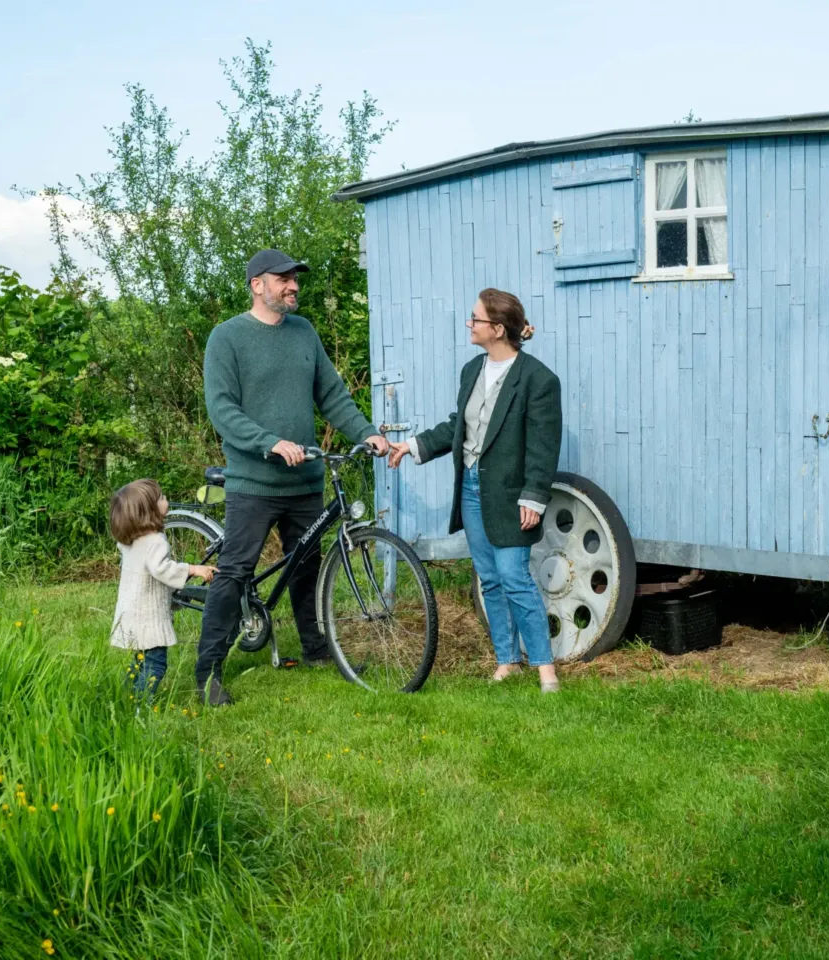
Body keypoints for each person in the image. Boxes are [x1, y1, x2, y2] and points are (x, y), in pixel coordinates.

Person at [196, 249, 389, 706]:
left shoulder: (304, 333)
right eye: (283, 279)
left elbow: (333, 395)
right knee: (235, 571)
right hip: (254, 480)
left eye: (295, 279)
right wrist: (269, 442)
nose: (293, 285)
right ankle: (208, 673)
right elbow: (222, 410)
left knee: (307, 567)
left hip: (305, 479)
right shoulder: (227, 338)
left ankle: (318, 651)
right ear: (256, 285)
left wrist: (368, 433)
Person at [388, 288, 563, 692]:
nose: (470, 325)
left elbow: (542, 445)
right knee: (489, 577)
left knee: (514, 575)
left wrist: (534, 496)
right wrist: (412, 445)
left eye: (476, 319)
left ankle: (544, 667)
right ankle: (507, 660)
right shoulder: (472, 370)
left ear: (497, 329)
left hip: (512, 493)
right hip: (470, 487)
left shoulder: (538, 379)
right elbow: (457, 427)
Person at [109, 479, 217, 700]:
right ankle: (141, 702)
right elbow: (162, 569)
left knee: (140, 660)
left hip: (130, 613)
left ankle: (128, 696)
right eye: (161, 498)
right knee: (155, 664)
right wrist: (193, 569)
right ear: (147, 510)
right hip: (147, 618)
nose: (166, 500)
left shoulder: (132, 540)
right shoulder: (155, 542)